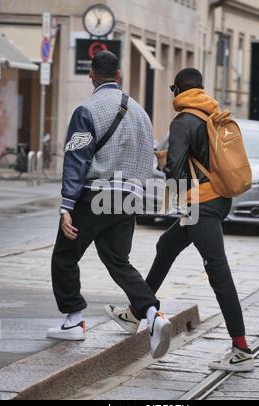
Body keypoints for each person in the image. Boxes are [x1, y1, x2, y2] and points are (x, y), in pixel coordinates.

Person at [107, 68, 255, 373]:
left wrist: (167, 174)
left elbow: (175, 170)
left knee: (218, 273)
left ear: (177, 91)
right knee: (167, 244)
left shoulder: (183, 121)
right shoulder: (211, 113)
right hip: (219, 200)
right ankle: (137, 311)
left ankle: (241, 349)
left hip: (202, 205)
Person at [47, 51, 172, 360]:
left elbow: (77, 159)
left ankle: (73, 319)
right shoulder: (142, 114)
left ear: (92, 73)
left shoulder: (86, 109)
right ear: (118, 75)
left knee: (65, 255)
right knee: (118, 261)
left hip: (94, 194)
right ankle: (153, 314)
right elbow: (150, 158)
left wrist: (66, 206)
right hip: (129, 196)